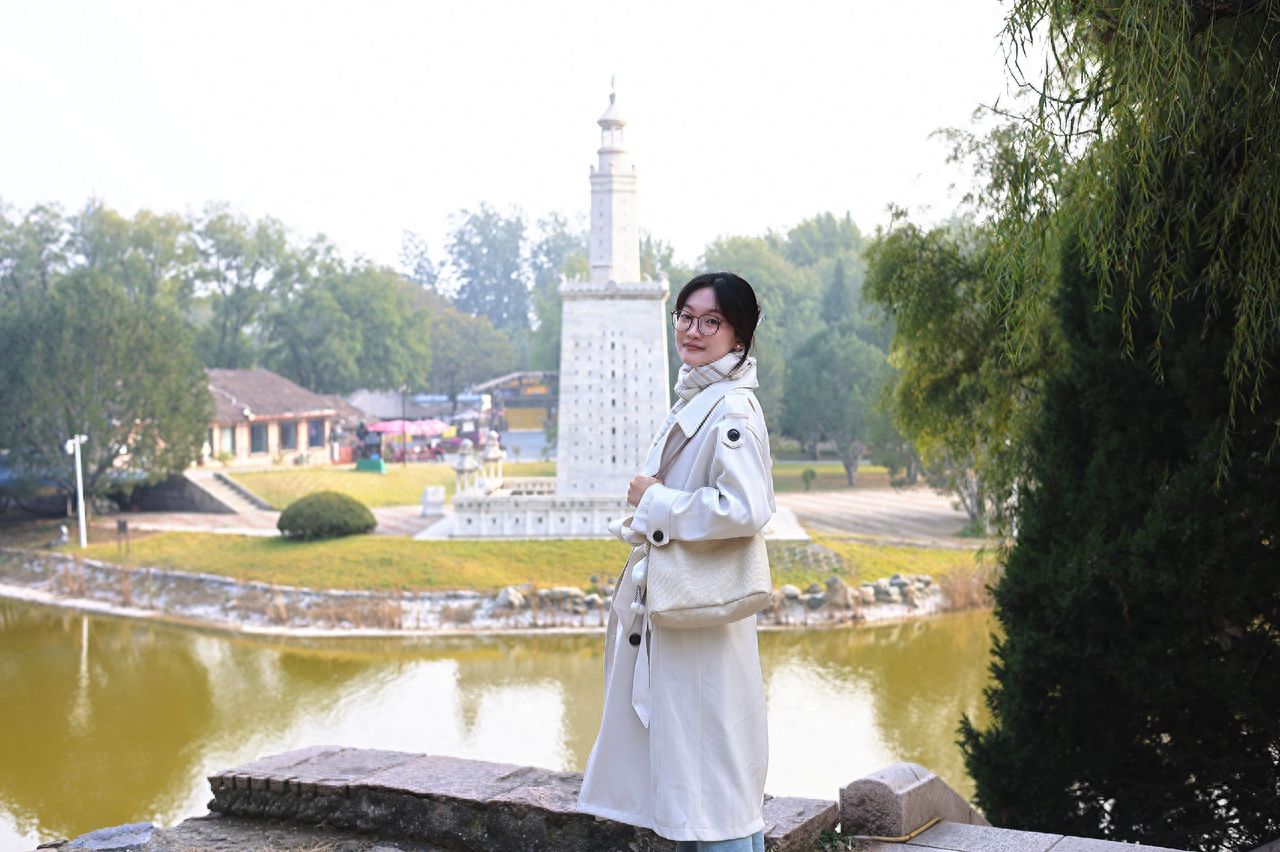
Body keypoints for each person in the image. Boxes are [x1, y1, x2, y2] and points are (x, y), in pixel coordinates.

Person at [578, 272, 775, 852]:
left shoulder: (732, 409)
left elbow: (746, 507)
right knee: (688, 778)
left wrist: (656, 503)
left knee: (715, 783)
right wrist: (647, 514)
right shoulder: (696, 397)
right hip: (677, 608)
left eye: (710, 320)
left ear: (738, 336)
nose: (692, 330)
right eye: (685, 316)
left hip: (700, 613)